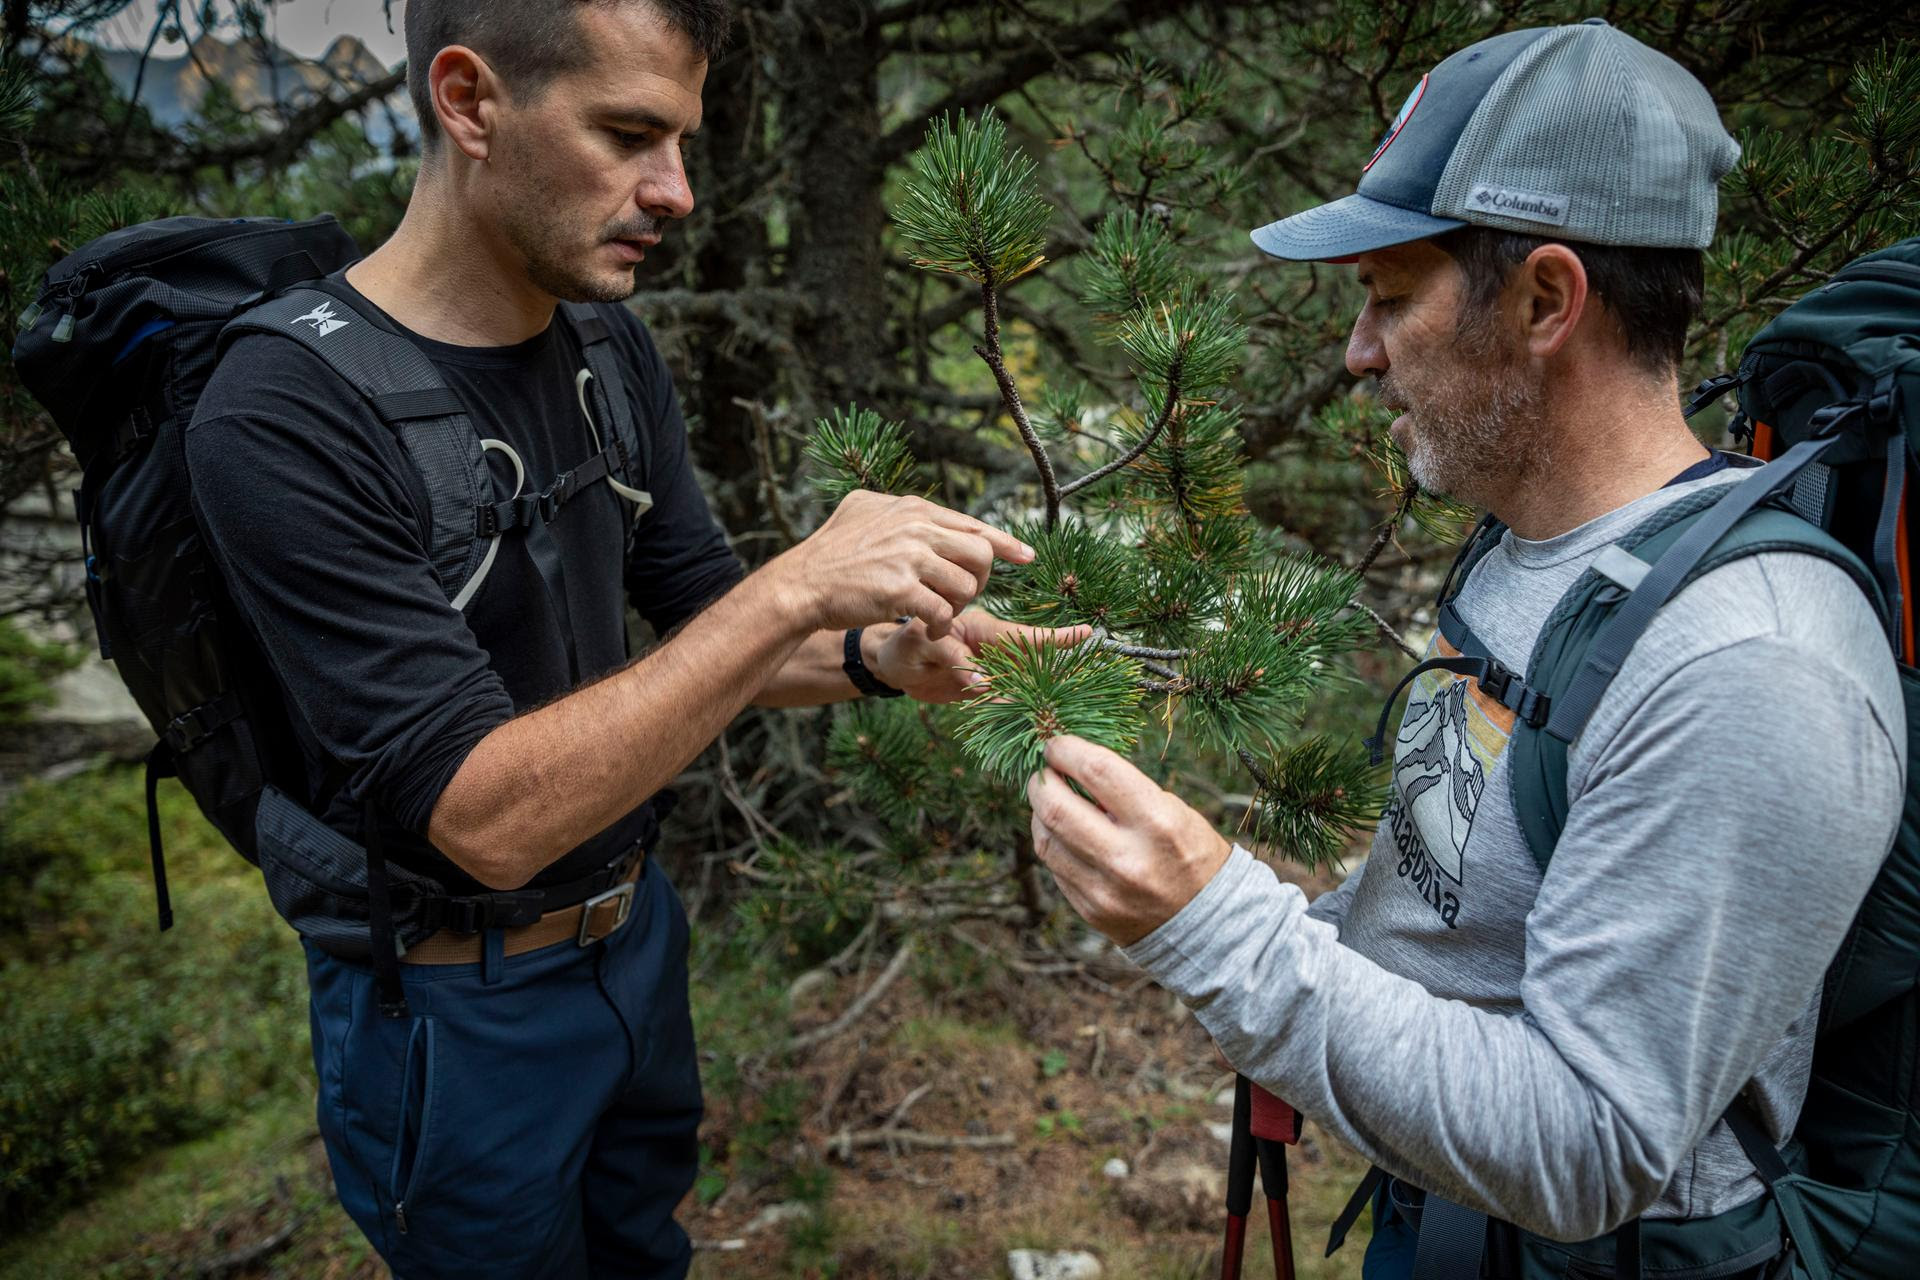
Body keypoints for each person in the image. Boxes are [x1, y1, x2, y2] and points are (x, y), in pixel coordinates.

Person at [183, 1, 1071, 1275]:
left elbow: (701, 614)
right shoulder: (282, 409)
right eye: (628, 133)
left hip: (631, 944)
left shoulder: (605, 344)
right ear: (470, 101)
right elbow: (482, 815)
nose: (679, 192)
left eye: (686, 140)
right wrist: (800, 586)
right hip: (452, 1001)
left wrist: (877, 654)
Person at [1025, 19, 1905, 1278]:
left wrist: (1223, 933)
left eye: (1390, 295)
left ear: (1548, 298)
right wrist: (1303, 941)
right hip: (1441, 1227)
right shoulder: (1526, 549)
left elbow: (1595, 1142)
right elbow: (1466, 902)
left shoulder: (1749, 663)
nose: (1357, 351)